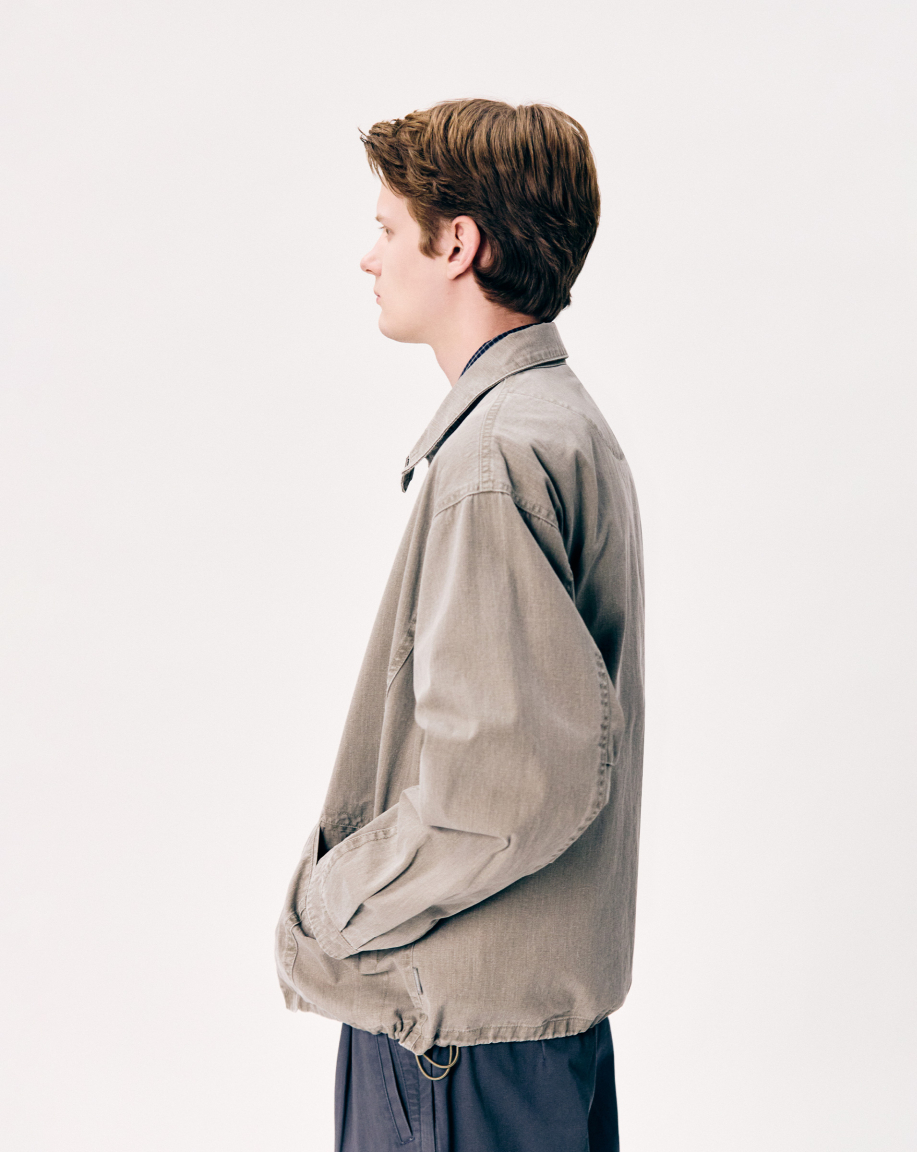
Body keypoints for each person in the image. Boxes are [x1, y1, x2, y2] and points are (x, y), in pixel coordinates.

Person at [275, 98, 644, 1152]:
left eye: (388, 228)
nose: (369, 257)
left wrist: (329, 907)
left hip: (453, 1046)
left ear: (458, 245)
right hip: (521, 1039)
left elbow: (498, 792)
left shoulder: (495, 456)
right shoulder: (561, 425)